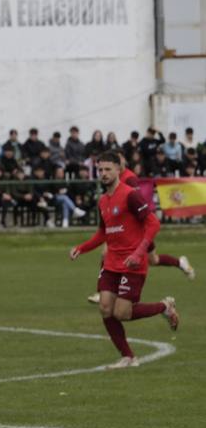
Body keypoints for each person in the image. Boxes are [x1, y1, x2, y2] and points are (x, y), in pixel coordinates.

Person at [69, 151, 180, 368]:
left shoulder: (131, 195)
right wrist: (81, 248)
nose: (103, 173)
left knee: (122, 313)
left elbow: (153, 224)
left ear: (119, 169)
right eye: (100, 169)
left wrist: (139, 253)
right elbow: (103, 233)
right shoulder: (102, 200)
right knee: (105, 308)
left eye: (108, 169)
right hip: (112, 262)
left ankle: (164, 307)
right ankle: (128, 357)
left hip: (133, 262)